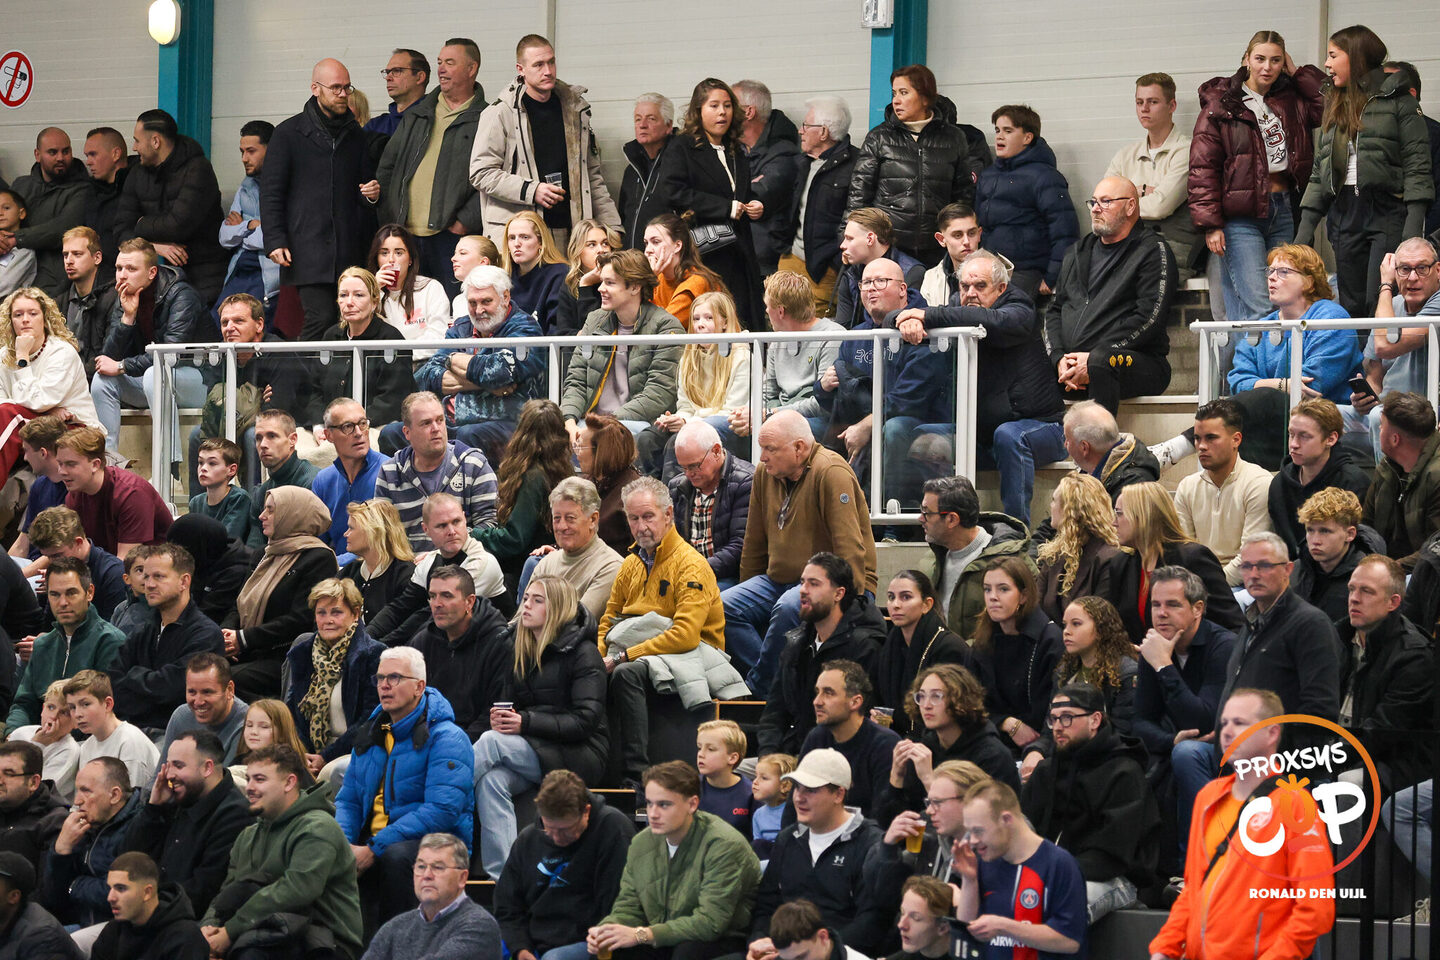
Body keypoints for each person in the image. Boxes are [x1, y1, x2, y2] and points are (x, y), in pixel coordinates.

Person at [1149, 689, 1334, 960]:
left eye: (1240, 723)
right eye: (1224, 722)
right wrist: (1165, 948)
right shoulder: (1208, 798)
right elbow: (1193, 889)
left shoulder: (1295, 803)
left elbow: (1316, 907)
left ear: (1272, 733)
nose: (1227, 732)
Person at [894, 248, 1065, 524]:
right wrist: (908, 320)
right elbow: (890, 317)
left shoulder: (1020, 307)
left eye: (980, 286)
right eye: (965, 286)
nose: (971, 293)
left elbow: (990, 321)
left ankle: (1015, 528)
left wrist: (925, 315)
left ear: (1001, 288)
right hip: (983, 435)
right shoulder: (957, 308)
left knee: (1008, 435)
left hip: (1043, 428)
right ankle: (943, 522)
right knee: (923, 438)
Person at [726, 411, 877, 693]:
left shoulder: (831, 472)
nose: (762, 457)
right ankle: (777, 685)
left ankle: (760, 690)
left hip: (832, 583)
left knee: (787, 606)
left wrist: (852, 600)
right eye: (761, 448)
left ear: (799, 448)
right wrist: (748, 583)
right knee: (722, 607)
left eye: (770, 449)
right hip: (777, 580)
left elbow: (849, 547)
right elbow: (754, 541)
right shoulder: (764, 474)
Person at [473, 576, 607, 879]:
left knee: (491, 742)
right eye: (525, 598)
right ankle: (505, 878)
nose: (526, 606)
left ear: (557, 608)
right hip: (536, 749)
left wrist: (525, 722)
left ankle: (442, 799)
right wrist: (504, 718)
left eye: (537, 600)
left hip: (581, 754)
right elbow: (511, 704)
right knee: (491, 781)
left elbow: (585, 720)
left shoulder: (584, 653)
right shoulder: (518, 647)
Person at [1295, 25, 1433, 319]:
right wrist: (1304, 231)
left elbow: (1418, 167)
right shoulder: (1334, 101)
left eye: (1333, 55)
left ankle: (1382, 350)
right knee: (1352, 303)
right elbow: (1321, 170)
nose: (1327, 64)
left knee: (1379, 297)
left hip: (1387, 212)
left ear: (1355, 56)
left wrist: (1412, 230)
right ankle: (1359, 351)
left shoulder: (1400, 102)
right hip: (1344, 213)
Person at [597, 478, 728, 784]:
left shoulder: (691, 565)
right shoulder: (630, 565)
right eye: (633, 518)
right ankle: (597, 769)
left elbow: (686, 635)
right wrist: (599, 658)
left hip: (695, 654)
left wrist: (624, 656)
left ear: (668, 514)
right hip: (645, 653)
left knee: (626, 673)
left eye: (648, 516)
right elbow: (608, 618)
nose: (641, 527)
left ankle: (636, 777)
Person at [334, 646, 473, 930]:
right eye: (380, 678)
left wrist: (374, 848)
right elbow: (348, 799)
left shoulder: (448, 738)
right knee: (325, 850)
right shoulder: (371, 732)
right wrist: (343, 844)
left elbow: (442, 811)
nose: (384, 685)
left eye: (394, 678)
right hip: (375, 840)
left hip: (434, 842)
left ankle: (399, 941)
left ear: (419, 687)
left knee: (395, 857)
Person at [1190, 33, 1325, 324]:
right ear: (1246, 60)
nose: (1267, 67)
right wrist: (1211, 224)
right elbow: (1203, 167)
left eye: (1276, 60)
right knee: (1260, 304)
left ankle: (1268, 355)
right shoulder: (1223, 103)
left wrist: (1298, 73)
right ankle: (1257, 356)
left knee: (1286, 299)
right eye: (1260, 58)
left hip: (1284, 207)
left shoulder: (1291, 99)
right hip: (1241, 216)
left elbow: (1329, 106)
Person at [588, 760, 762, 960]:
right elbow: (629, 905)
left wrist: (642, 934)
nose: (653, 814)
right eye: (649, 803)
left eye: (664, 805)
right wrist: (607, 930)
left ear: (692, 804)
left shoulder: (724, 845)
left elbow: (710, 923)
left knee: (686, 952)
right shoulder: (641, 843)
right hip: (661, 934)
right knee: (611, 948)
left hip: (720, 939)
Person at [201, 745, 363, 960]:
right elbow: (227, 892)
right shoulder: (247, 836)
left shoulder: (318, 827)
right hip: (261, 930)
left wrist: (229, 932)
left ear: (289, 782)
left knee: (251, 955)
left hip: (326, 942)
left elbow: (297, 891)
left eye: (259, 779)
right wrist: (210, 929)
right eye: (248, 779)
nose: (249, 787)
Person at [816, 258, 952, 506]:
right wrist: (823, 388)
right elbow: (841, 398)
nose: (871, 288)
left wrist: (868, 424)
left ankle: (892, 518)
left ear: (902, 289)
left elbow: (910, 400)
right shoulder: (856, 335)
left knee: (893, 428)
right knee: (807, 427)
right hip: (865, 418)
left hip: (918, 420)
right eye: (866, 283)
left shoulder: (923, 330)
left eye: (880, 281)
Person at [1020, 684, 1159, 922]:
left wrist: (1055, 872)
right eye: (1053, 719)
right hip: (1052, 872)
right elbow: (1023, 828)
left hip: (1114, 877)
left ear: (1095, 720)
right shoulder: (1046, 771)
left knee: (1060, 903)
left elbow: (1113, 852)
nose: (1058, 727)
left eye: (1067, 718)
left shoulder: (1124, 772)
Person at [261, 58, 377, 340]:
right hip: (306, 248)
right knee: (321, 316)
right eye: (336, 88)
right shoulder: (287, 133)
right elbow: (271, 191)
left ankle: (327, 369)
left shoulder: (357, 136)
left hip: (349, 247)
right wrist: (275, 239)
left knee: (347, 319)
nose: (343, 94)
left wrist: (372, 195)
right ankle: (302, 369)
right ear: (315, 88)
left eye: (347, 88)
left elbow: (365, 189)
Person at [469, 34, 620, 246]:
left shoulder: (574, 110)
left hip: (572, 232)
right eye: (538, 65)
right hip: (522, 236)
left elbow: (591, 177)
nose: (548, 71)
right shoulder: (500, 113)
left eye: (551, 62)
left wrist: (612, 228)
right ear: (520, 69)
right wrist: (531, 190)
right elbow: (481, 173)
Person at [1046, 175, 1175, 413]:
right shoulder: (1077, 252)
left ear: (1130, 206)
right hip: (1074, 367)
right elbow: (1055, 310)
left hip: (1136, 363)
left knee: (1102, 361)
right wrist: (1059, 357)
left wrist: (1092, 356)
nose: (1095, 209)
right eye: (1093, 202)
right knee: (1030, 358)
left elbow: (1150, 318)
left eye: (1106, 202)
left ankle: (1101, 437)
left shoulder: (1152, 250)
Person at [748, 749, 888, 957]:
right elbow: (766, 905)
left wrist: (822, 950)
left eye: (811, 790)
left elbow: (871, 922)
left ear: (838, 794)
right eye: (797, 788)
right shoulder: (787, 839)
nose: (799, 798)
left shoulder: (869, 843)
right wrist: (761, 940)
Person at [374, 39, 486, 297]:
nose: (441, 69)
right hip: (407, 238)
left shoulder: (486, 117)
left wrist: (465, 221)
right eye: (439, 62)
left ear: (471, 69)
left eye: (450, 63)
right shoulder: (418, 114)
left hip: (452, 238)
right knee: (407, 307)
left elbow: (493, 176)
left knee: (454, 306)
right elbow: (387, 169)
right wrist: (393, 221)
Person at [653, 78, 764, 327]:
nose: (722, 112)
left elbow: (740, 193)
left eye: (727, 105)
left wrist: (755, 204)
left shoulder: (735, 148)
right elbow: (671, 192)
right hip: (706, 252)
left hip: (741, 251)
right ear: (698, 111)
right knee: (712, 320)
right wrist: (725, 208)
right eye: (714, 106)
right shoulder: (682, 146)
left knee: (744, 319)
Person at [412, 264, 547, 466]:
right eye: (472, 303)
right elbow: (428, 376)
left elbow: (500, 373)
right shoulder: (461, 328)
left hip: (511, 424)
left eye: (486, 301)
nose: (479, 310)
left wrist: (452, 360)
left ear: (505, 298)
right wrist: (484, 382)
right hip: (451, 422)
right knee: (393, 433)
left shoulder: (525, 327)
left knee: (467, 436)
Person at [493, 769, 634, 960]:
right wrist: (520, 948)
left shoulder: (612, 829)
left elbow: (617, 905)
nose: (557, 838)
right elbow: (508, 906)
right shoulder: (529, 839)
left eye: (566, 830)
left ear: (586, 812)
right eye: (549, 830)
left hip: (590, 940)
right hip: (535, 942)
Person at [88, 238, 211, 453]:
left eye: (131, 269)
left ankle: (168, 463)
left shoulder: (182, 296)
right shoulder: (126, 297)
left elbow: (170, 354)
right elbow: (107, 359)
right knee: (102, 380)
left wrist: (122, 366)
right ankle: (109, 459)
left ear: (152, 272)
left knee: (155, 374)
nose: (122, 275)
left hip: (202, 381)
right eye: (119, 268)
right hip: (153, 381)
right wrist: (128, 318)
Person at [847, 64, 976, 267]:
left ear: (925, 97)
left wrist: (958, 238)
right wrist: (849, 240)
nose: (896, 100)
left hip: (937, 249)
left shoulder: (954, 138)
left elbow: (964, 196)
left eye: (904, 92)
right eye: (894, 93)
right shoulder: (879, 137)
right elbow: (858, 195)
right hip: (888, 247)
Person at [757, 554, 884, 758]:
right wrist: (767, 757)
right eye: (802, 582)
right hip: (791, 754)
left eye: (814, 584)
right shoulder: (796, 643)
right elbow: (774, 713)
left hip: (837, 758)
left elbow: (863, 720)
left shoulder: (864, 647)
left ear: (838, 593)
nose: (803, 590)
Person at [223, 487, 338, 701]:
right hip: (247, 649)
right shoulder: (264, 553)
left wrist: (244, 639)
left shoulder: (319, 558)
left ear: (292, 514)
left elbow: (301, 619)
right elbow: (239, 603)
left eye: (271, 510)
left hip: (283, 655)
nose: (261, 516)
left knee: (222, 682)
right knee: (196, 668)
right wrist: (227, 635)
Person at [121, 730, 252, 919]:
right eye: (168, 765)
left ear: (207, 768)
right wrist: (153, 809)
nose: (169, 775)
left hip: (178, 921)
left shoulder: (235, 815)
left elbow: (203, 891)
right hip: (146, 910)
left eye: (178, 766)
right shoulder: (175, 798)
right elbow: (128, 857)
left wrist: (145, 907)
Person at [953, 780, 1086, 958]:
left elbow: (1069, 941)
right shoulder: (984, 861)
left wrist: (1005, 927)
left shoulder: (1059, 864)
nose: (973, 841)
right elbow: (967, 928)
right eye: (970, 832)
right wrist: (969, 880)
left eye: (978, 831)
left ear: (1006, 820)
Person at [559, 249, 684, 438]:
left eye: (609, 283)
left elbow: (659, 393)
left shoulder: (666, 326)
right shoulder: (594, 320)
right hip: (590, 422)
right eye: (602, 281)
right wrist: (568, 421)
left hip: (639, 424)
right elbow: (576, 381)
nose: (600, 288)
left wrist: (603, 425)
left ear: (635, 287)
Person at [1338, 554, 1434, 790]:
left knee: (1347, 782)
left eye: (1367, 592)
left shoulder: (1414, 656)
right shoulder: (1335, 636)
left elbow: (1382, 732)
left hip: (1389, 762)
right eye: (1352, 589)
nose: (1354, 598)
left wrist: (1324, 757)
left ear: (1393, 602)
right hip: (1335, 748)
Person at [882, 663, 1020, 826]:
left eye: (936, 696)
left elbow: (981, 825)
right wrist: (897, 777)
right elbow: (890, 823)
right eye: (921, 696)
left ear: (959, 700)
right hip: (924, 839)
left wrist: (929, 779)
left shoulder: (993, 756)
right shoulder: (924, 748)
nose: (926, 705)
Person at [108, 543, 225, 734]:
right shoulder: (144, 630)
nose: (149, 584)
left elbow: (172, 690)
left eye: (159, 576)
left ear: (184, 581)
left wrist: (133, 675)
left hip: (178, 735)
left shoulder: (205, 635)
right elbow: (113, 681)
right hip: (130, 729)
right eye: (146, 576)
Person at [115, 109, 226, 303]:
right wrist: (153, 247)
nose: (134, 147)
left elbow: (178, 226)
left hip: (205, 276)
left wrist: (140, 224)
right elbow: (120, 230)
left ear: (155, 141)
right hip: (158, 279)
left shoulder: (198, 169)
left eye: (137, 141)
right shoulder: (137, 173)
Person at [1112, 481, 1245, 639]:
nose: (1113, 523)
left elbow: (1232, 625)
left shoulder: (1193, 559)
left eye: (1119, 513)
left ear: (1143, 516)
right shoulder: (1121, 564)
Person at [366, 493, 507, 643]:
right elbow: (400, 608)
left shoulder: (482, 562)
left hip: (489, 646)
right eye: (442, 525)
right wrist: (365, 637)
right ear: (425, 529)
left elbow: (435, 617)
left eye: (456, 521)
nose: (452, 531)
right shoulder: (429, 562)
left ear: (465, 519)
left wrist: (381, 646)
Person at [1132, 566, 1239, 763]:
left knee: (1186, 753)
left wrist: (1164, 666)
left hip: (1225, 751)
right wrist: (1171, 740)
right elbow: (1140, 722)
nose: (1161, 613)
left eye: (1172, 605)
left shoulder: (1224, 646)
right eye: (1155, 605)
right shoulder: (1154, 646)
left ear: (1197, 608)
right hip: (1172, 746)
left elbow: (1203, 723)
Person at [5, 556, 124, 730]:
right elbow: (24, 703)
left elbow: (106, 711)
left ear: (89, 593)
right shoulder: (43, 644)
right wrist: (13, 733)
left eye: (71, 593)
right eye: (54, 594)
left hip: (86, 738)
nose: (62, 603)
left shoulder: (111, 641)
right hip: (41, 734)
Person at [1102, 73, 1200, 281]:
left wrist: (1126, 198)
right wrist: (1142, 193)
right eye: (1139, 102)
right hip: (1129, 246)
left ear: (1172, 106)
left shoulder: (1187, 151)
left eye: (1153, 102)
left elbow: (1160, 207)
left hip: (1171, 249)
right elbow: (1102, 206)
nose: (1144, 109)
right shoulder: (1125, 155)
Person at [283, 577, 385, 777]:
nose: (328, 620)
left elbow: (371, 719)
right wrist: (302, 754)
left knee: (330, 773)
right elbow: (292, 713)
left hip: (356, 751)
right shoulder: (303, 654)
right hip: (308, 754)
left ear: (355, 614)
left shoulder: (374, 655)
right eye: (321, 613)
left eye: (336, 612)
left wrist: (325, 757)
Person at [976, 104, 1078, 301]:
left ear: (1027, 138)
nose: (999, 137)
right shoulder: (988, 176)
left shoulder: (1046, 177)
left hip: (1026, 272)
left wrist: (1052, 277)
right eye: (997, 130)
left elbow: (1065, 231)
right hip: (989, 269)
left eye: (1008, 131)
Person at [485, 408, 592, 595]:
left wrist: (473, 534)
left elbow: (514, 539)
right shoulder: (563, 470)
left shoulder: (534, 477)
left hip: (523, 571)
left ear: (523, 434)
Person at [375, 391, 497, 551]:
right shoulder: (390, 472)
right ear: (407, 432)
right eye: (426, 423)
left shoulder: (474, 464)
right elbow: (383, 533)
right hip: (410, 563)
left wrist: (440, 556)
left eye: (440, 420)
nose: (436, 428)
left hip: (463, 561)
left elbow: (489, 527)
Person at [1350, 237, 1440, 451]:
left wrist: (1385, 285)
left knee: (1379, 418)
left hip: (1425, 413)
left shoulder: (1437, 302)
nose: (1412, 278)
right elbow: (1375, 373)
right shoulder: (1390, 306)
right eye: (1404, 269)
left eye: (1422, 268)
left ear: (1438, 270)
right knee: (1319, 417)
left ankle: (1390, 475)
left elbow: (1385, 346)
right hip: (1385, 408)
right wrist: (1366, 397)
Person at [1173, 399, 1276, 585]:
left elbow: (1249, 558)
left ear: (1236, 439)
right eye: (1197, 438)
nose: (1201, 446)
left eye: (1211, 438)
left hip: (1246, 584)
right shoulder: (1187, 487)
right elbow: (1183, 552)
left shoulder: (1258, 483)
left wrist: (1209, 585)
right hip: (1198, 584)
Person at [919, 475, 1033, 642]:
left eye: (927, 513)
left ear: (952, 519)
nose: (920, 518)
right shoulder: (931, 561)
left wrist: (963, 652)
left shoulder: (1011, 561)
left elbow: (1026, 626)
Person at [0, 287, 100, 474]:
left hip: (75, 428)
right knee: (8, 413)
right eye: (18, 315)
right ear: (10, 321)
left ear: (44, 318)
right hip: (35, 424)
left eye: (33, 313)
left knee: (9, 414)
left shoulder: (61, 352)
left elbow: (39, 401)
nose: (25, 319)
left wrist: (22, 358)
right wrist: (48, 412)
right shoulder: (4, 355)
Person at [360, 832, 500, 960]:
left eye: (438, 867)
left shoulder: (479, 926)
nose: (427, 875)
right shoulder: (395, 926)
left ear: (462, 878)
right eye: (421, 867)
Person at [41, 756, 145, 927]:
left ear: (114, 795)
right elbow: (53, 898)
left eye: (86, 791)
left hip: (119, 928)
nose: (77, 801)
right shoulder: (85, 826)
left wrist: (74, 884)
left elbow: (117, 893)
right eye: (77, 790)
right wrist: (61, 849)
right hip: (80, 922)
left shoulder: (139, 827)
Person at [873, 570, 976, 739]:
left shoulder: (949, 648)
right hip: (899, 739)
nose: (895, 604)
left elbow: (952, 714)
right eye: (891, 597)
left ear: (926, 604)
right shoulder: (890, 645)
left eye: (906, 597)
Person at [781, 94, 859, 315]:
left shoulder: (856, 165)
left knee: (815, 327)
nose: (800, 131)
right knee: (781, 322)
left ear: (824, 132)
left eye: (806, 125)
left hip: (825, 270)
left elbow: (855, 218)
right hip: (790, 260)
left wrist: (834, 263)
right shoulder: (799, 163)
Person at [800, 661, 898, 817]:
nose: (817, 701)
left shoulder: (885, 745)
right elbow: (795, 805)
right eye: (817, 692)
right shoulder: (816, 738)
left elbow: (883, 817)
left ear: (855, 702)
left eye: (828, 693)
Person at [55, 426, 172, 558]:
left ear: (95, 465)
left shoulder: (131, 494)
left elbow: (125, 563)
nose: (61, 472)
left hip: (152, 566)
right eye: (60, 464)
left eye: (71, 464)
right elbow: (71, 550)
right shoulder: (75, 494)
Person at [668, 419, 754, 589]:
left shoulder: (746, 482)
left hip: (729, 576)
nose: (689, 474)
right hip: (686, 573)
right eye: (683, 468)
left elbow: (740, 546)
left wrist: (696, 570)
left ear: (716, 451)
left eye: (694, 466)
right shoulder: (677, 486)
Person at [7, 128, 91, 296]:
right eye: (52, 152)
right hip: (11, 269)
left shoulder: (83, 189)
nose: (60, 158)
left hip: (53, 278)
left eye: (65, 151)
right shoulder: (21, 185)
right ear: (37, 155)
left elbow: (63, 229)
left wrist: (15, 238)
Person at [1035, 473, 1128, 623]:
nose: (1051, 506)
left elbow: (1099, 620)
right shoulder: (1055, 554)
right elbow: (1036, 607)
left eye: (1054, 501)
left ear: (1069, 510)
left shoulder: (1109, 559)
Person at [1364, 391, 1440, 570]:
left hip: (1425, 575)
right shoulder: (1387, 467)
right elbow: (1365, 526)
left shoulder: (1436, 477)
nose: (1378, 430)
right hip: (1387, 568)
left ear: (1394, 439)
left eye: (1381, 426)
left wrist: (1389, 570)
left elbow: (1435, 550)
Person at [733, 80, 800, 276]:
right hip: (735, 256)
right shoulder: (731, 149)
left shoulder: (784, 153)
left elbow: (759, 192)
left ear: (748, 112)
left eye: (729, 105)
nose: (723, 112)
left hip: (766, 265)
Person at [91, 851, 208, 960]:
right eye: (110, 888)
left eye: (121, 888)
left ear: (147, 892)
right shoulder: (113, 931)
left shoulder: (185, 937)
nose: (110, 897)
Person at [312, 396, 393, 554]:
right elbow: (317, 543)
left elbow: (387, 544)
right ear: (329, 435)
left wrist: (337, 563)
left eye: (362, 424)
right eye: (347, 427)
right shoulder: (323, 481)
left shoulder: (389, 471)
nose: (358, 433)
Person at [1294, 486, 1386, 622]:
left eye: (1325, 531)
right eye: (1310, 530)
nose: (1315, 540)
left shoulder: (1369, 580)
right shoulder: (1294, 572)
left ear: (1350, 534)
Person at [217, 121, 281, 313]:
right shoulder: (246, 186)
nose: (244, 159)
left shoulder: (289, 186)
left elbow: (275, 237)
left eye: (251, 151)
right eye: (242, 152)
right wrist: (250, 225)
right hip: (238, 270)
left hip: (268, 276)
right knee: (215, 322)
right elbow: (225, 237)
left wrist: (242, 233)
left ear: (272, 150)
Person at [830, 208, 926, 331]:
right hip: (860, 341)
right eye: (867, 282)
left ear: (870, 239)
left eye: (850, 238)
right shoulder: (850, 276)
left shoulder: (912, 272)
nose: (842, 245)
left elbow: (911, 322)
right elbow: (843, 329)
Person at [368, 224, 452, 354]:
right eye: (384, 253)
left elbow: (438, 336)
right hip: (380, 362)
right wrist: (374, 290)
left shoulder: (430, 288)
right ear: (377, 259)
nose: (391, 260)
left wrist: (403, 356)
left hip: (422, 361)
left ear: (410, 260)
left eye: (399, 253)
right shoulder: (366, 292)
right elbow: (359, 330)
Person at [66, 670, 159, 787]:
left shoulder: (130, 742)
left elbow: (133, 797)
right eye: (72, 707)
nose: (77, 714)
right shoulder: (86, 747)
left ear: (108, 704)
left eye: (85, 704)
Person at [245, 409, 319, 549]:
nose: (263, 445)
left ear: (292, 440)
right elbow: (253, 549)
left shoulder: (313, 483)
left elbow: (310, 548)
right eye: (258, 438)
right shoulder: (261, 493)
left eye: (272, 436)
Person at [157, 653, 249, 764]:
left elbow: (228, 776)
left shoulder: (248, 726)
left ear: (229, 690)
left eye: (207, 692)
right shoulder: (181, 717)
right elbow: (162, 771)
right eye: (192, 692)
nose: (198, 702)